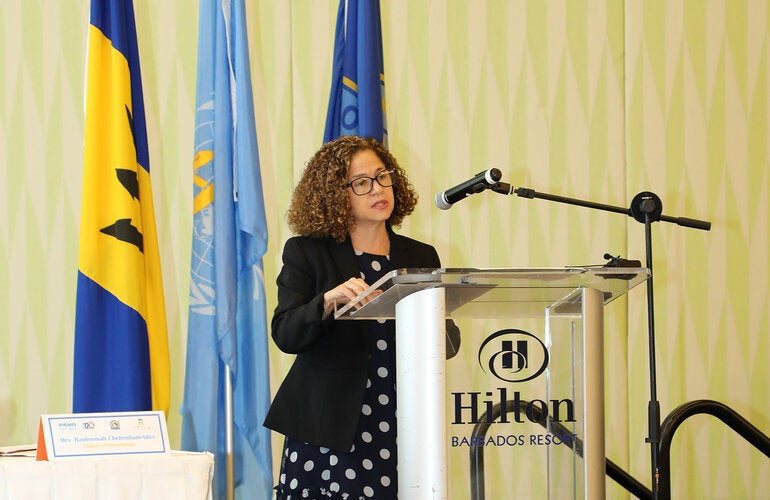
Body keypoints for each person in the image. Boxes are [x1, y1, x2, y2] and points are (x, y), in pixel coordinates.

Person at [264, 135, 459, 499]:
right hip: (331, 426)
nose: (378, 189)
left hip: (405, 418)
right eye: (361, 182)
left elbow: (448, 343)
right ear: (335, 195)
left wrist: (437, 317)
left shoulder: (420, 256)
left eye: (382, 176)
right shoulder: (307, 252)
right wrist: (326, 302)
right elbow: (286, 333)